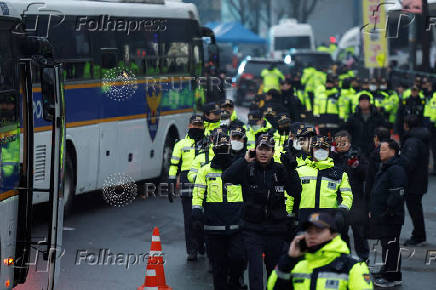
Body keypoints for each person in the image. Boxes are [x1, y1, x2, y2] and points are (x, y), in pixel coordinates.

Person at [222, 134, 302, 290]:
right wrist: (244, 160)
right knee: (255, 270)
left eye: (267, 149)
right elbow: (226, 177)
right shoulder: (247, 168)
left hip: (276, 230)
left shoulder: (280, 169)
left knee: (273, 271)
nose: (263, 153)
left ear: (273, 152)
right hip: (252, 230)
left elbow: (295, 191)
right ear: (255, 150)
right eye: (260, 149)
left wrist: (291, 169)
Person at [192, 132, 246, 290]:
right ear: (214, 149)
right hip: (213, 226)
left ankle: (235, 281)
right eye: (220, 147)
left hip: (236, 225)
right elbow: (198, 192)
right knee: (218, 267)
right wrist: (196, 211)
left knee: (238, 259)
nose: (223, 150)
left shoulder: (238, 168)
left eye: (225, 147)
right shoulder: (205, 170)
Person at [267, 212, 373, 290]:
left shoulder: (353, 266)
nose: (312, 235)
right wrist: (289, 259)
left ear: (333, 234)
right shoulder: (296, 263)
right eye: (309, 231)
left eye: (318, 231)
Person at [294, 136, 353, 244]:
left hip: (329, 221)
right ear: (312, 149)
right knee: (305, 256)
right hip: (304, 220)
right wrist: (290, 215)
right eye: (317, 148)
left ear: (329, 150)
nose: (320, 151)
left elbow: (347, 196)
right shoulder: (299, 171)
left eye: (324, 148)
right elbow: (290, 196)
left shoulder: (340, 174)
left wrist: (341, 211)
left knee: (327, 256)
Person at [168, 115, 207, 261]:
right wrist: (171, 182)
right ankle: (192, 250)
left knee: (205, 218)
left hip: (205, 183)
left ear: (203, 127)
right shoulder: (181, 144)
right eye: (194, 125)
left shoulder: (208, 143)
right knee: (189, 219)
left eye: (199, 125)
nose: (197, 128)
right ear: (189, 126)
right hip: (186, 183)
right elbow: (173, 165)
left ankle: (203, 244)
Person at [368, 139, 407, 287]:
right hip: (383, 214)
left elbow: (398, 193)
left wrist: (387, 211)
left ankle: (391, 277)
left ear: (393, 151)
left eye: (383, 149)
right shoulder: (386, 166)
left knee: (391, 246)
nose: (380, 152)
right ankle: (388, 271)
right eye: (380, 149)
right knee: (387, 245)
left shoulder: (396, 168)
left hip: (391, 216)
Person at [332, 130, 370, 262]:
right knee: (340, 231)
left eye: (344, 143)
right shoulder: (331, 156)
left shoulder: (357, 155)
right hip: (338, 199)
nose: (341, 145)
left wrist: (356, 165)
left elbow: (366, 174)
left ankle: (364, 258)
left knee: (359, 232)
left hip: (356, 199)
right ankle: (344, 256)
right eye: (339, 143)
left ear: (349, 143)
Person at [399, 115, 430, 246]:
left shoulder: (412, 141)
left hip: (413, 182)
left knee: (414, 209)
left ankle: (418, 235)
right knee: (416, 208)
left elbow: (409, 163)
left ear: (407, 125)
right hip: (419, 180)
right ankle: (419, 234)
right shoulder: (420, 138)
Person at [365, 127, 391, 201]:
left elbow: (371, 177)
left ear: (376, 138)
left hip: (378, 193)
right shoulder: (394, 151)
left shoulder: (375, 154)